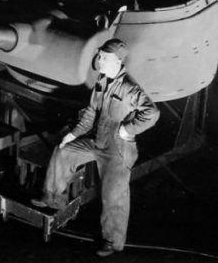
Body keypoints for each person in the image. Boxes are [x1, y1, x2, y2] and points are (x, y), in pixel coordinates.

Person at [30, 38, 159, 258]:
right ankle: (53, 199)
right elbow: (91, 112)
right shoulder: (102, 80)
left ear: (118, 61)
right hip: (97, 141)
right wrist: (72, 135)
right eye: (100, 56)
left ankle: (112, 241)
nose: (100, 61)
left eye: (105, 58)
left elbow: (152, 113)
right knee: (64, 151)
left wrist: (128, 130)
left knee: (113, 196)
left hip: (118, 151)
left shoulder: (129, 87)